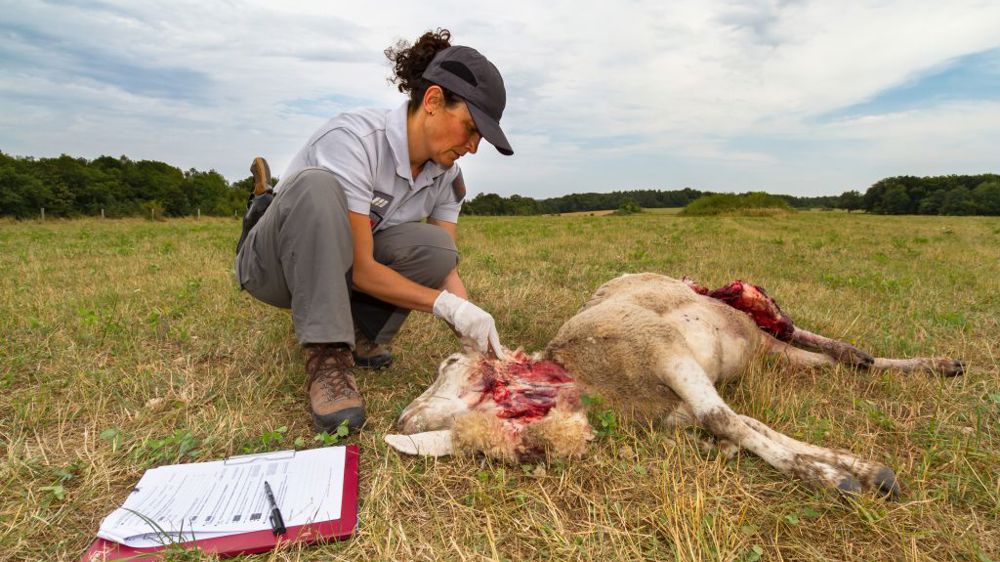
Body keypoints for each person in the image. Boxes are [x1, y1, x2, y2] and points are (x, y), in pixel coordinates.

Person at [235, 29, 512, 434]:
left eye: (480, 138)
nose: (473, 146)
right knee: (316, 186)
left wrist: (473, 333)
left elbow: (443, 269)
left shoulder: (446, 177)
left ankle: (360, 332)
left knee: (437, 249)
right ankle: (328, 353)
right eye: (470, 128)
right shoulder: (354, 141)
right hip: (274, 268)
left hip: (338, 267)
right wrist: (443, 305)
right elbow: (363, 270)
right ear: (433, 101)